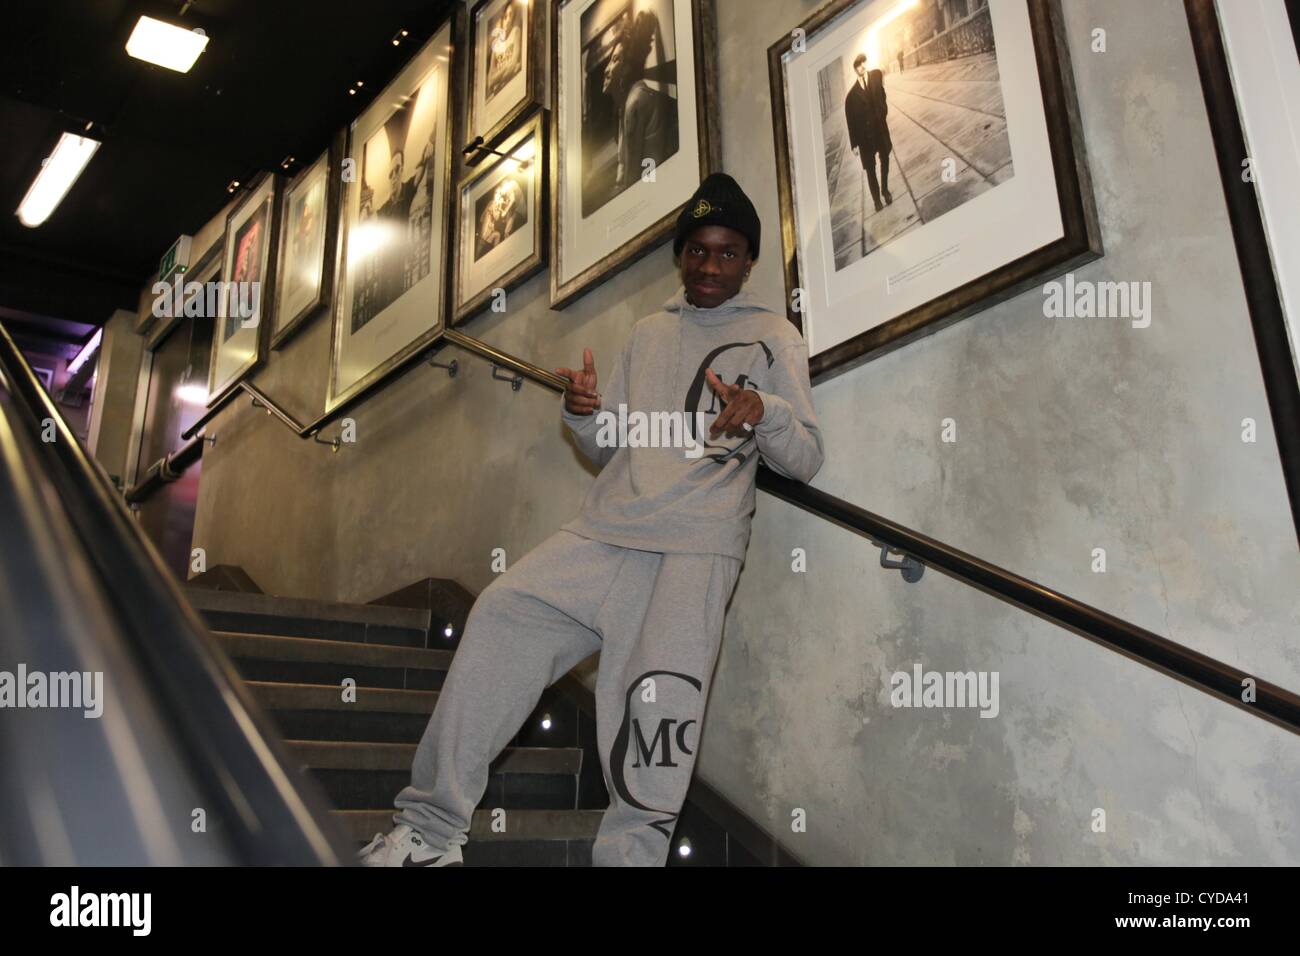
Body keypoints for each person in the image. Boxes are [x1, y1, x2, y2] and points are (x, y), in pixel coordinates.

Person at [357, 173, 824, 868]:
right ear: (680, 254)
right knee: (501, 611)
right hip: (605, 533)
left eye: (727, 253)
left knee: (653, 721)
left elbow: (807, 456)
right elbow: (615, 440)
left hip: (693, 553)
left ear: (748, 261)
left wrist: (768, 412)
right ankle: (430, 832)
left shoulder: (771, 336)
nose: (710, 266)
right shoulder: (648, 332)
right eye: (697, 250)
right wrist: (584, 415)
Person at [603, 10, 677, 194]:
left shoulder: (635, 102)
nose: (606, 69)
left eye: (615, 60)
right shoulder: (626, 106)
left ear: (627, 64)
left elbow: (642, 173)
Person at [844, 54, 892, 212]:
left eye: (863, 63)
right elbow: (850, 123)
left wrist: (883, 111)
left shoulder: (876, 77)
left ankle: (885, 190)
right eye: (858, 65)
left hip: (880, 130)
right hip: (865, 138)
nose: (862, 67)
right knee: (870, 169)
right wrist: (854, 144)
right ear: (855, 69)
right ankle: (876, 199)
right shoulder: (851, 97)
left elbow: (883, 95)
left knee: (885, 159)